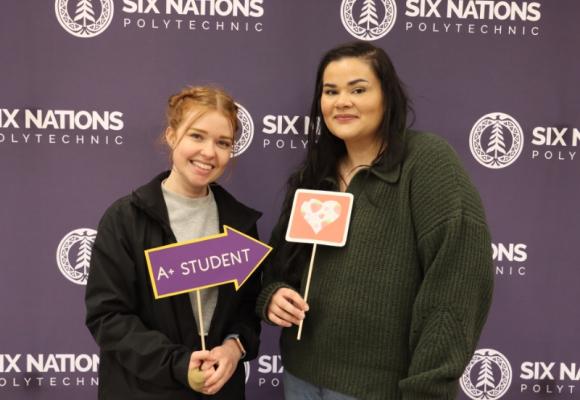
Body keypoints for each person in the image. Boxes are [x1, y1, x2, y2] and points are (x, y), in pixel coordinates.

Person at [256, 42, 494, 399]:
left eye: (358, 89)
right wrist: (272, 295)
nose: (342, 101)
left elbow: (458, 284)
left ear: (387, 96)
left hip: (378, 389)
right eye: (331, 91)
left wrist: (427, 389)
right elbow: (277, 265)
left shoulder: (426, 162)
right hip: (300, 376)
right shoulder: (314, 175)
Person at [85, 86, 261, 400]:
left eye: (223, 143)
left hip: (220, 390)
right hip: (141, 389)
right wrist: (178, 364)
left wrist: (234, 349)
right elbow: (108, 318)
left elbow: (247, 311)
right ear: (171, 136)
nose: (209, 152)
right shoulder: (125, 219)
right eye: (197, 136)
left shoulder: (241, 224)